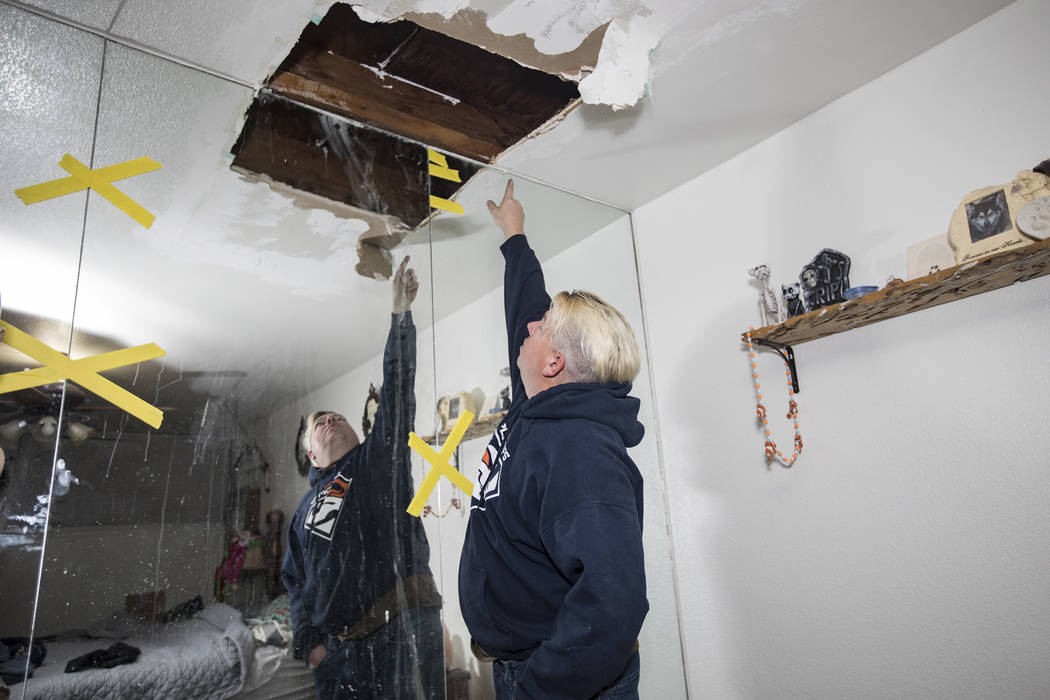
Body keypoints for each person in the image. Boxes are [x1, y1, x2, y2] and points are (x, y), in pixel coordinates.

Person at [459, 180, 649, 699]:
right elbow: (525, 306)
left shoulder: (580, 451)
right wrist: (514, 236)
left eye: (542, 327)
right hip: (523, 667)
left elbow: (613, 605)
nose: (530, 325)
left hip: (558, 683)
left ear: (553, 363)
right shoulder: (538, 410)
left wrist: (535, 692)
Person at [282, 256, 444, 699]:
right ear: (312, 456)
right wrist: (309, 642)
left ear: (360, 434)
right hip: (337, 657)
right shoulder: (301, 515)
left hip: (399, 636)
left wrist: (400, 316)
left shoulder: (376, 462)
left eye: (338, 416)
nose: (330, 418)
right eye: (319, 422)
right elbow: (294, 580)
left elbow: (396, 389)